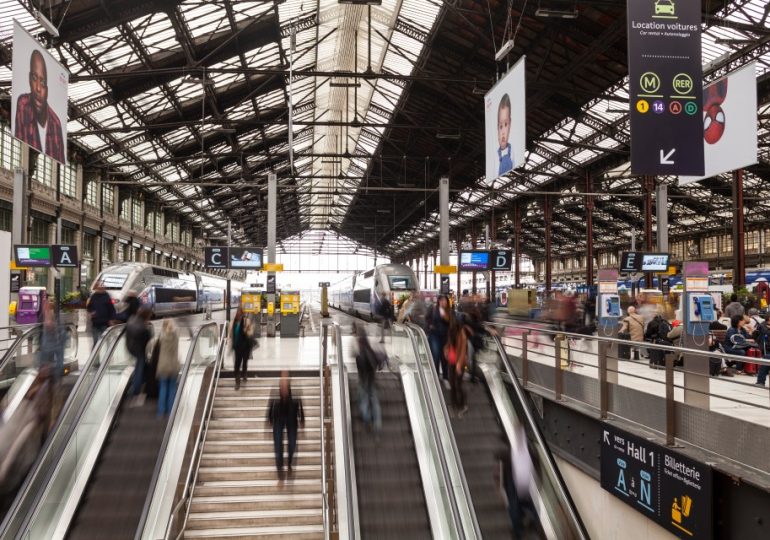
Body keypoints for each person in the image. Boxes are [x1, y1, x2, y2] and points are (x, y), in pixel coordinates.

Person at [14, 49, 65, 162]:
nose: (38, 88)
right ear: (29, 79)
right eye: (34, 78)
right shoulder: (23, 103)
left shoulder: (56, 123)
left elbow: (60, 159)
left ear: (48, 88)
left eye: (42, 82)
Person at [266, 373, 304, 477]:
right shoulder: (275, 389)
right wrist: (269, 418)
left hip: (291, 418)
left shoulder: (295, 390)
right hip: (278, 418)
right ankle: (280, 469)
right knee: (278, 444)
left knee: (292, 442)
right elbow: (271, 403)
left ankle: (289, 463)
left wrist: (302, 418)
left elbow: (299, 403)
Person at [355, 327, 382, 431]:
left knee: (364, 399)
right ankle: (377, 424)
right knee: (374, 400)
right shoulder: (371, 351)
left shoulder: (359, 355)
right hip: (372, 378)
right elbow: (375, 365)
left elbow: (360, 370)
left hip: (363, 379)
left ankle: (367, 419)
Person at [125, 306, 153, 404]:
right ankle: (136, 391)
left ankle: (137, 386)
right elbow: (149, 340)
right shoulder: (143, 328)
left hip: (130, 347)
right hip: (140, 350)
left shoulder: (132, 319)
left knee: (139, 367)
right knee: (139, 369)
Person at [445, 315, 469, 417]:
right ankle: (454, 404)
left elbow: (463, 351)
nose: (451, 323)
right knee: (452, 383)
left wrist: (459, 365)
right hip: (451, 361)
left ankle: (462, 404)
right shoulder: (451, 331)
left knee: (457, 384)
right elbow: (448, 344)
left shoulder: (462, 334)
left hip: (459, 362)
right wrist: (446, 351)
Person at [156, 318, 180, 416]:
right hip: (173, 364)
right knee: (172, 388)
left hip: (163, 365)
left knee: (163, 387)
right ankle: (171, 411)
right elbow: (176, 330)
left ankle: (161, 411)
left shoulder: (161, 337)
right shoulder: (175, 336)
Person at [230, 308, 255, 390]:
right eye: (237, 313)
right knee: (236, 365)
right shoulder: (232, 323)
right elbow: (230, 334)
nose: (238, 315)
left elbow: (251, 332)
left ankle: (244, 374)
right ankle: (237, 382)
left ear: (242, 314)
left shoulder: (246, 321)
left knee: (244, 362)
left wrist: (246, 330)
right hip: (237, 347)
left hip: (245, 347)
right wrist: (228, 341)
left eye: (239, 313)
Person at [428, 295, 451, 383]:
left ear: (447, 302)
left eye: (444, 300)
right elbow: (427, 318)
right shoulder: (433, 309)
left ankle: (445, 376)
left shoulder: (449, 311)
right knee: (436, 355)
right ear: (438, 301)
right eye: (441, 300)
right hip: (434, 335)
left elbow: (451, 323)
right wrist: (430, 326)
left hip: (445, 336)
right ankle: (436, 376)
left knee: (444, 357)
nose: (442, 302)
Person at [86, 282, 116, 347]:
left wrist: (111, 319)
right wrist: (91, 312)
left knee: (105, 341)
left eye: (102, 288)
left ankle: (107, 355)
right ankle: (96, 356)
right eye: (99, 288)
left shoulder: (107, 296)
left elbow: (112, 309)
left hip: (104, 323)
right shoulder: (93, 296)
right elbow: (89, 307)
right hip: (95, 323)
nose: (101, 289)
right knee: (96, 341)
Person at [497, 93, 513, 175]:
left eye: (506, 124)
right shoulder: (495, 158)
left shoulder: (514, 153)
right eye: (500, 126)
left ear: (510, 125)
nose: (503, 132)